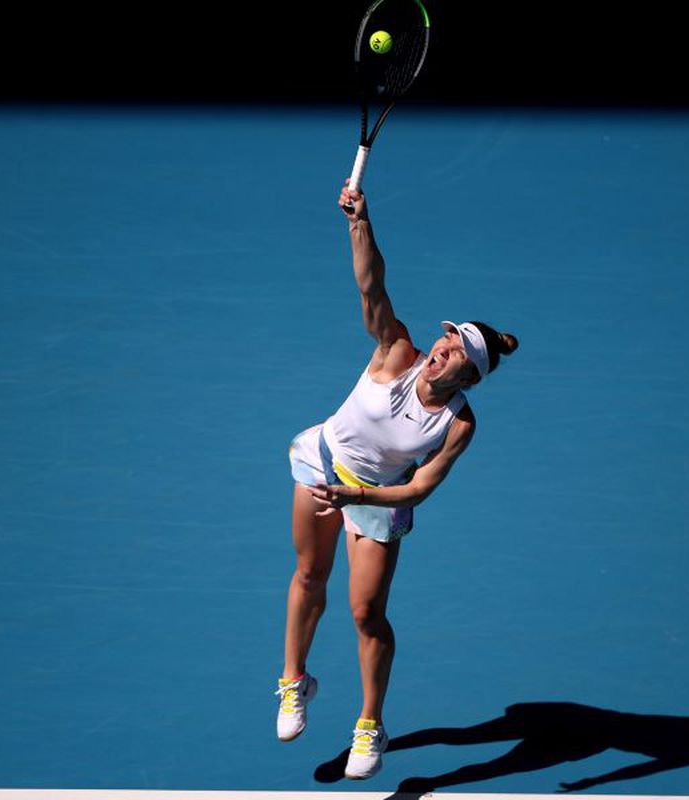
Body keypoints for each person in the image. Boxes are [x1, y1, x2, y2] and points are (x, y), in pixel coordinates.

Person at [275, 182, 519, 780]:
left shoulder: (458, 424)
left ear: (470, 377)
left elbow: (416, 491)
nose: (442, 347)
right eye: (447, 337)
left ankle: (370, 724)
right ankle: (294, 680)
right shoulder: (396, 352)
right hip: (323, 463)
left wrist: (355, 496)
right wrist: (358, 222)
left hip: (374, 497)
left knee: (366, 614)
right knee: (309, 574)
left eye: (457, 350)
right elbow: (372, 287)